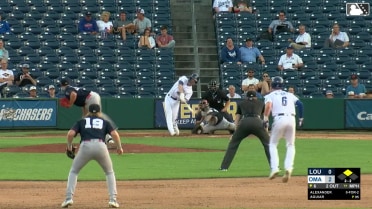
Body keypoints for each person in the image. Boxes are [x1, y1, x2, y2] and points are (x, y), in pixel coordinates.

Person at [60, 104, 123, 208]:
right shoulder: (104, 121)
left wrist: (69, 146)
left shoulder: (81, 121)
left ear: (88, 111)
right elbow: (115, 134)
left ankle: (68, 198)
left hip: (85, 146)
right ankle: (113, 200)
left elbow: (70, 134)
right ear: (99, 112)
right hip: (101, 146)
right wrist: (119, 147)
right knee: (109, 172)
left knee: (74, 171)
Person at [263, 76, 304, 183]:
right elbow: (300, 104)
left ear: (272, 85)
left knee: (273, 144)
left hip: (279, 118)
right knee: (290, 145)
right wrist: (301, 118)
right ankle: (289, 168)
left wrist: (265, 118)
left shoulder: (270, 95)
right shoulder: (290, 94)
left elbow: (268, 106)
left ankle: (275, 168)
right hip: (291, 118)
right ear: (282, 85)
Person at [219, 91, 271, 171]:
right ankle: (274, 167)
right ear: (255, 97)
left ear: (246, 97)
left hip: (244, 122)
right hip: (257, 122)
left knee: (233, 144)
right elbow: (265, 118)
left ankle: (224, 167)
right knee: (268, 145)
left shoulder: (241, 103)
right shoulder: (261, 103)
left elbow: (237, 118)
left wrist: (234, 133)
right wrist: (266, 132)